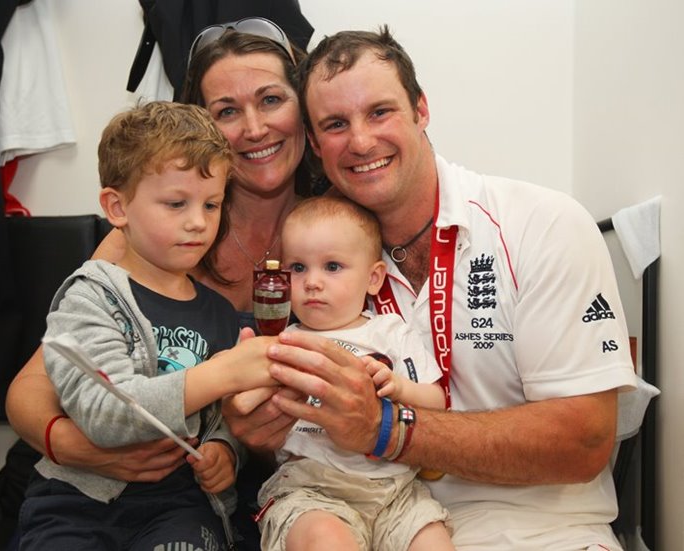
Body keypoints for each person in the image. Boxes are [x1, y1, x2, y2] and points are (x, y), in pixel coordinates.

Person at [223, 27, 639, 551]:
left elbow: (585, 442)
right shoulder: (316, 260)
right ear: (314, 142)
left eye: (380, 111)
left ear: (421, 109)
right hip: (363, 521)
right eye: (335, 124)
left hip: (541, 531)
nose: (360, 141)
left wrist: (387, 428)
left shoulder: (542, 224)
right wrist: (259, 434)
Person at [5, 18, 312, 550]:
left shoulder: (336, 234)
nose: (255, 128)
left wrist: (233, 446)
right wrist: (75, 446)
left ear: (302, 107)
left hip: (204, 496)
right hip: (85, 485)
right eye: (226, 111)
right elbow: (33, 388)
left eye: (270, 100)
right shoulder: (141, 241)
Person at [255, 195, 453, 551]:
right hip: (312, 488)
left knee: (434, 542)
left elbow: (437, 402)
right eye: (298, 268)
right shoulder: (282, 341)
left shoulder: (392, 333)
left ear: (374, 277)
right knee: (325, 540)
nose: (312, 282)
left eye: (332, 267)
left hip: (396, 491)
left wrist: (400, 389)